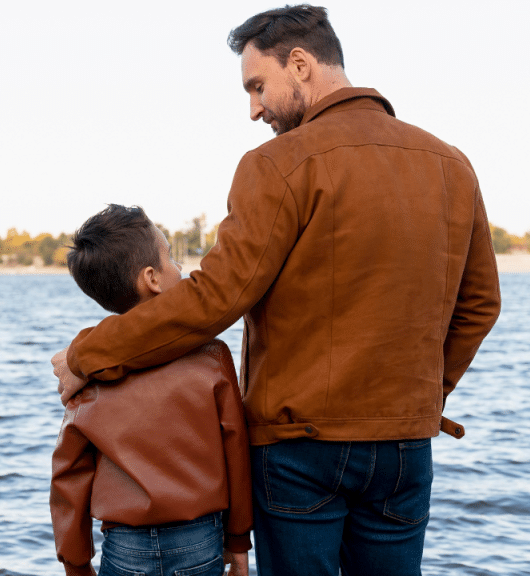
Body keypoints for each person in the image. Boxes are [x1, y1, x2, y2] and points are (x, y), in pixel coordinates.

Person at [53, 5, 501, 575]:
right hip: (403, 446)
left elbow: (215, 298)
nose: (253, 109)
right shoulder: (451, 165)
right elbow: (481, 304)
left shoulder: (279, 165)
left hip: (299, 450)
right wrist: (423, 396)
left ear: (301, 63)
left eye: (258, 86)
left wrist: (88, 354)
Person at [49, 204, 252, 576]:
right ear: (152, 279)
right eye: (171, 258)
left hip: (126, 546)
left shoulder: (90, 368)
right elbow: (236, 450)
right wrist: (238, 541)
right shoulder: (211, 356)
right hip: (199, 541)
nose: (181, 269)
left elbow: (70, 473)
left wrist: (76, 563)